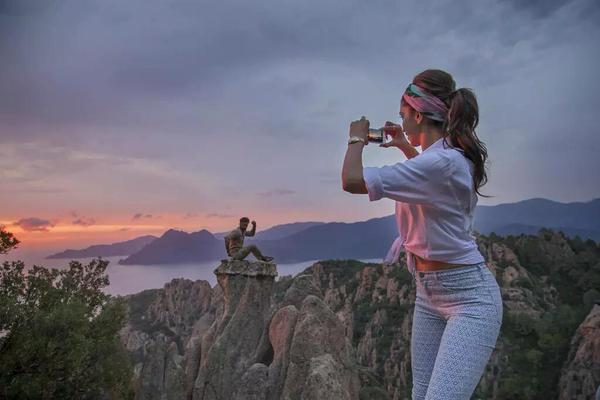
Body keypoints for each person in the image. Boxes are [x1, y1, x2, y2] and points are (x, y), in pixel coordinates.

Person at [342, 69, 502, 399]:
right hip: (427, 294)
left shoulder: (442, 163)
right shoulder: (443, 159)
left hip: (469, 299)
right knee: (420, 394)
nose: (401, 124)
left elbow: (352, 181)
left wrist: (356, 137)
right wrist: (404, 145)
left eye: (403, 116)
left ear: (418, 113)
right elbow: (431, 180)